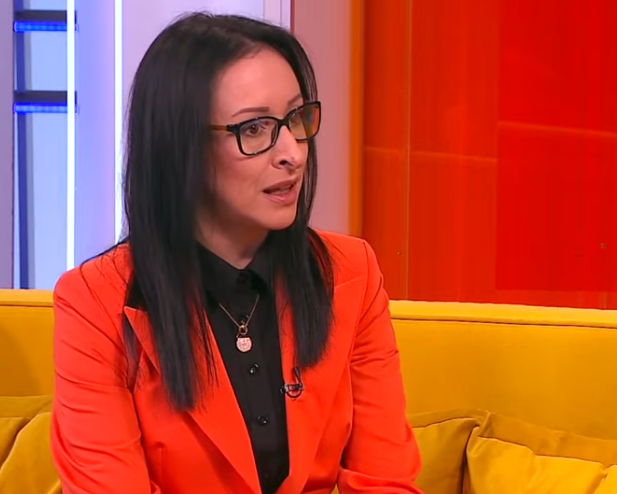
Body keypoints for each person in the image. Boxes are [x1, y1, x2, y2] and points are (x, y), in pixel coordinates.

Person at [51, 12, 422, 494]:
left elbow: (385, 480)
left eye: (295, 119)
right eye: (255, 128)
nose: (293, 153)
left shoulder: (351, 275)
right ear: (181, 144)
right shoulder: (94, 304)